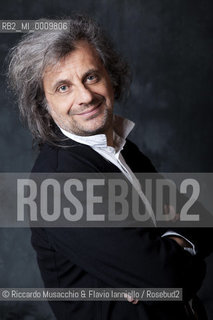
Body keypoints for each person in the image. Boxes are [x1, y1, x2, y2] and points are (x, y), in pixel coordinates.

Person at [8, 14, 211, 320]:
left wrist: (170, 244)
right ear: (43, 105)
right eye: (63, 88)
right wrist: (174, 258)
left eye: (91, 76)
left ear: (110, 76)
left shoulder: (120, 148)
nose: (85, 96)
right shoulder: (61, 184)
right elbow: (167, 281)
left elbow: (203, 220)